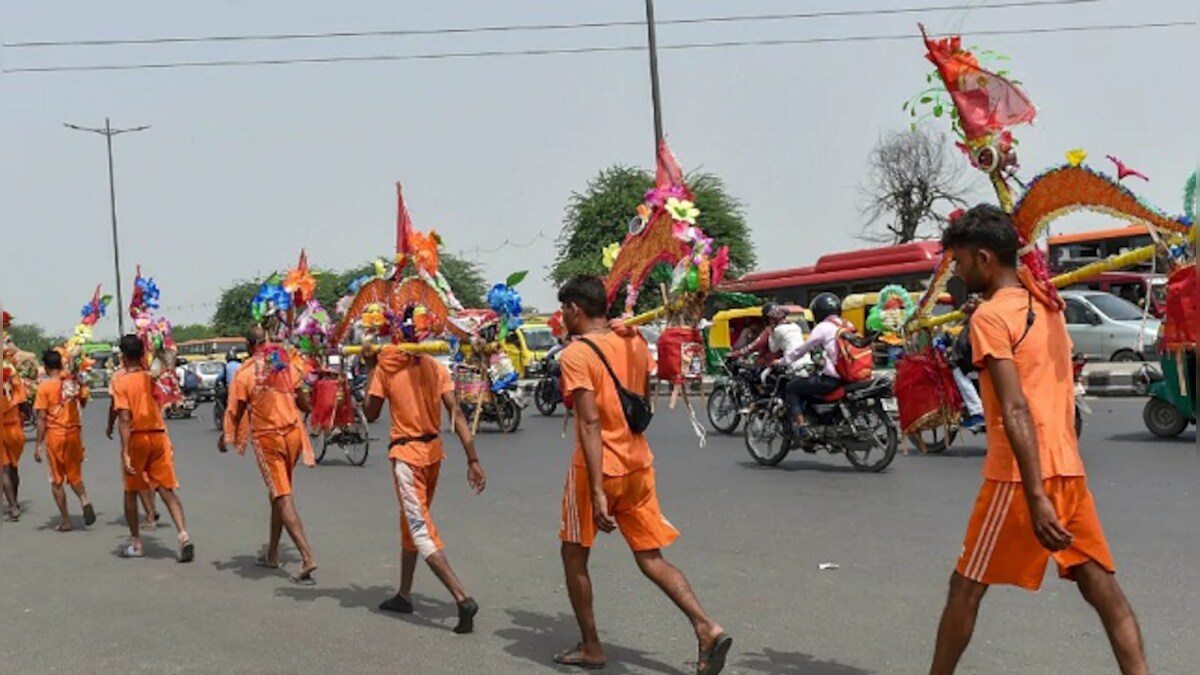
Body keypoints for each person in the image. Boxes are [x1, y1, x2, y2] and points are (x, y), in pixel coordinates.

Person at [929, 204, 1146, 675]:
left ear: (985, 258)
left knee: (965, 586)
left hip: (1018, 477)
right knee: (1102, 588)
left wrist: (1034, 496)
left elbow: (1015, 408)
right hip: (1068, 467)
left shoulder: (990, 317)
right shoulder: (1048, 305)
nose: (959, 273)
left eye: (962, 262)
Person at [554, 276, 731, 674]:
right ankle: (707, 627)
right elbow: (643, 392)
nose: (561, 316)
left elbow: (589, 422)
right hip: (638, 464)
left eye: (563, 309)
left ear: (575, 310)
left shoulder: (577, 355)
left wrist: (598, 490)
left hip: (599, 469)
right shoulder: (633, 340)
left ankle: (592, 647)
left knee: (573, 554)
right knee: (651, 557)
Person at [363, 319, 486, 634]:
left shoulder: (386, 367)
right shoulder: (435, 367)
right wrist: (472, 458)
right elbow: (455, 413)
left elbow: (371, 412)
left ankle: (462, 598)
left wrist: (368, 367)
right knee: (411, 521)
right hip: (433, 455)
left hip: (407, 458)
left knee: (421, 530)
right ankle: (404, 594)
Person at [219, 326, 318, 583]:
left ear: (250, 346)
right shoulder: (283, 366)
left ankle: (307, 557)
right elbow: (304, 402)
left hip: (268, 439)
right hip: (293, 435)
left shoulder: (245, 374)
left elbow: (235, 411)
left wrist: (226, 437)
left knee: (282, 496)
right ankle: (272, 554)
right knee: (278, 493)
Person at [111, 334, 194, 562]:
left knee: (130, 491)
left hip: (137, 438)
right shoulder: (153, 377)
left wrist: (126, 452)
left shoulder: (120, 381)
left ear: (123, 356)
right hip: (158, 436)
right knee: (166, 489)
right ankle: (183, 535)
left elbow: (125, 418)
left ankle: (136, 543)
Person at [33, 349, 95, 531]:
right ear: (60, 364)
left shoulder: (44, 387)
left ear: (45, 367)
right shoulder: (72, 383)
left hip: (55, 436)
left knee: (56, 480)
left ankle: (66, 520)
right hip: (74, 433)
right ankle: (84, 500)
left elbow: (41, 418)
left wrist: (37, 444)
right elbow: (82, 402)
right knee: (75, 474)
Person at [773, 292, 847, 439]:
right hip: (850, 375)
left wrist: (783, 361)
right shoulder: (847, 324)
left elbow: (803, 349)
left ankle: (803, 427)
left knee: (792, 387)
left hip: (833, 378)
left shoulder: (823, 327)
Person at [1, 353, 28, 521]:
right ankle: (15, 502)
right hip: (15, 429)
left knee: (4, 469)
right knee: (13, 467)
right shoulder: (13, 375)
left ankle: (12, 506)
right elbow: (25, 403)